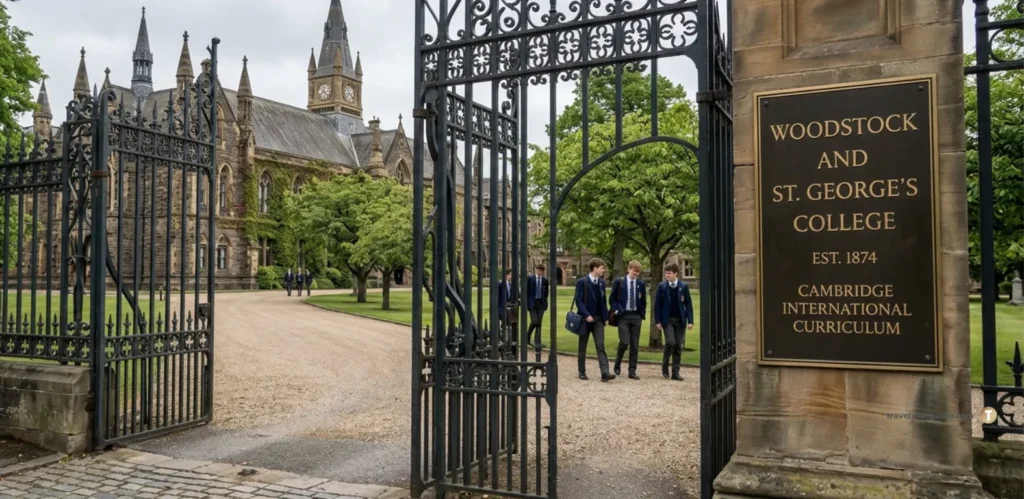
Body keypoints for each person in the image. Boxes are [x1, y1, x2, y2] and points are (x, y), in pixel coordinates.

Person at [574, 258, 614, 382]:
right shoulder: (582, 282)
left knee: (600, 345)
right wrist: (586, 315)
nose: (603, 270)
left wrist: (605, 318)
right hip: (585, 320)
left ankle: (605, 373)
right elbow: (578, 300)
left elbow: (603, 302)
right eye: (602, 268)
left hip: (598, 320)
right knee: (583, 345)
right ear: (595, 268)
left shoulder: (601, 283)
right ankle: (581, 371)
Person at [654, 262, 694, 380]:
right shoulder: (662, 286)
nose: (667, 275)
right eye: (666, 273)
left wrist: (690, 321)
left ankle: (675, 372)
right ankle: (665, 366)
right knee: (670, 342)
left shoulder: (684, 286)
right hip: (668, 320)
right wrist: (658, 321)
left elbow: (688, 304)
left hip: (680, 320)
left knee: (678, 346)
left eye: (669, 273)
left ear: (676, 274)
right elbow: (658, 306)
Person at [609, 260, 647, 380]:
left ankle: (632, 371)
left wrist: (642, 313)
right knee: (624, 342)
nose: (636, 273)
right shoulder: (619, 282)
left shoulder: (641, 284)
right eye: (634, 270)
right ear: (629, 269)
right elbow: (612, 299)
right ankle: (617, 363)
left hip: (636, 316)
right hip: (623, 315)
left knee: (635, 345)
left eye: (638, 271)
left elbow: (643, 301)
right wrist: (617, 310)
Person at [526, 264, 549, 348]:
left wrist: (545, 303)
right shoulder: (530, 278)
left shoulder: (545, 280)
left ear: (543, 271)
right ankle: (527, 338)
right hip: (532, 303)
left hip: (541, 303)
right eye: (538, 270)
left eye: (541, 271)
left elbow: (546, 292)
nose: (539, 272)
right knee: (534, 321)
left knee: (539, 323)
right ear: (536, 270)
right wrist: (527, 303)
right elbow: (526, 291)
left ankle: (537, 342)